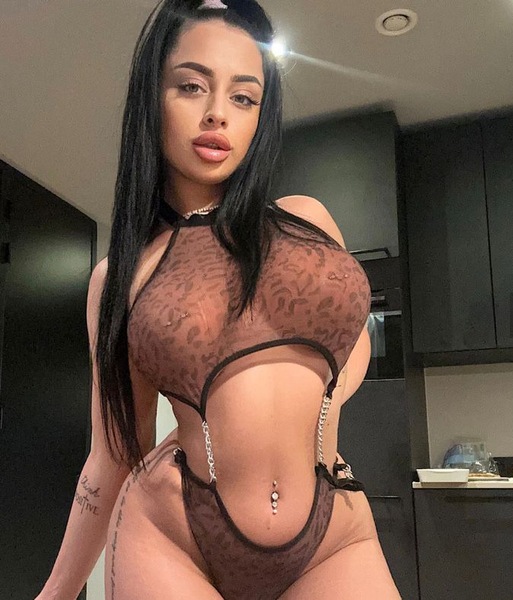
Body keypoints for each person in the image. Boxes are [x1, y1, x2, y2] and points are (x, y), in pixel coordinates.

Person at [37, 1, 401, 598]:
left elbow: (354, 337)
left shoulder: (307, 221)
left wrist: (322, 401)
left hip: (331, 532)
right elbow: (113, 455)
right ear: (152, 98)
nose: (217, 113)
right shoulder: (122, 277)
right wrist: (56, 591)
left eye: (243, 97)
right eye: (191, 86)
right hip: (176, 535)